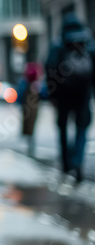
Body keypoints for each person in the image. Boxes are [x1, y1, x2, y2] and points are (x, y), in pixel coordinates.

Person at [45, 12, 94, 183]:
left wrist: (52, 95)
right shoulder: (87, 42)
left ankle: (66, 165)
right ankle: (77, 161)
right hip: (83, 95)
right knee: (81, 129)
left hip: (63, 95)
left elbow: (50, 69)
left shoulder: (58, 44)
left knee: (63, 129)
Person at [17, 62, 42, 157]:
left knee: (28, 125)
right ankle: (29, 142)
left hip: (27, 107)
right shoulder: (35, 84)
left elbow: (20, 95)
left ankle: (28, 142)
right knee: (30, 125)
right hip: (32, 107)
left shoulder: (25, 83)